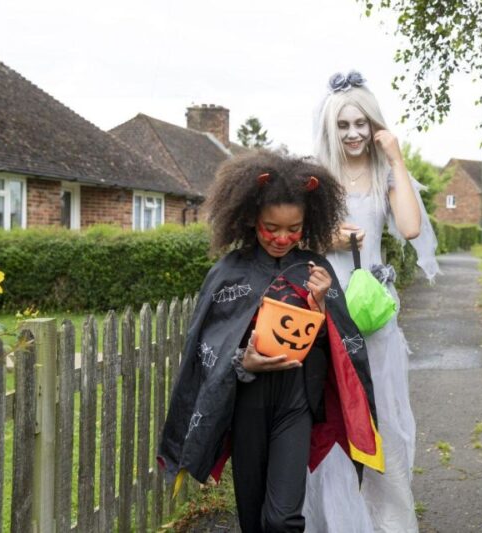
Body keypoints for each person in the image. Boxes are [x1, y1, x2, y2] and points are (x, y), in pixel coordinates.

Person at [158, 150, 384, 533]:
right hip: (246, 404)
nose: (282, 238)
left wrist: (322, 306)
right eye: (271, 227)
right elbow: (208, 349)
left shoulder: (317, 269)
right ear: (249, 219)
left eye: (293, 228)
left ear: (307, 222)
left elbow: (342, 354)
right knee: (252, 516)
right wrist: (242, 364)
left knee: (282, 519)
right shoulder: (228, 274)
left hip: (294, 406)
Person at [303, 71, 439, 533]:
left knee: (381, 417)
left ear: (374, 123)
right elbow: (291, 236)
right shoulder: (314, 177)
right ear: (329, 127)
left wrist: (396, 157)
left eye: (361, 123)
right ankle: (336, 521)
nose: (353, 133)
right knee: (332, 417)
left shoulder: (384, 172)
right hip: (325, 310)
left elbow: (410, 227)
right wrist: (328, 237)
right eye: (343, 125)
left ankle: (389, 523)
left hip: (372, 313)